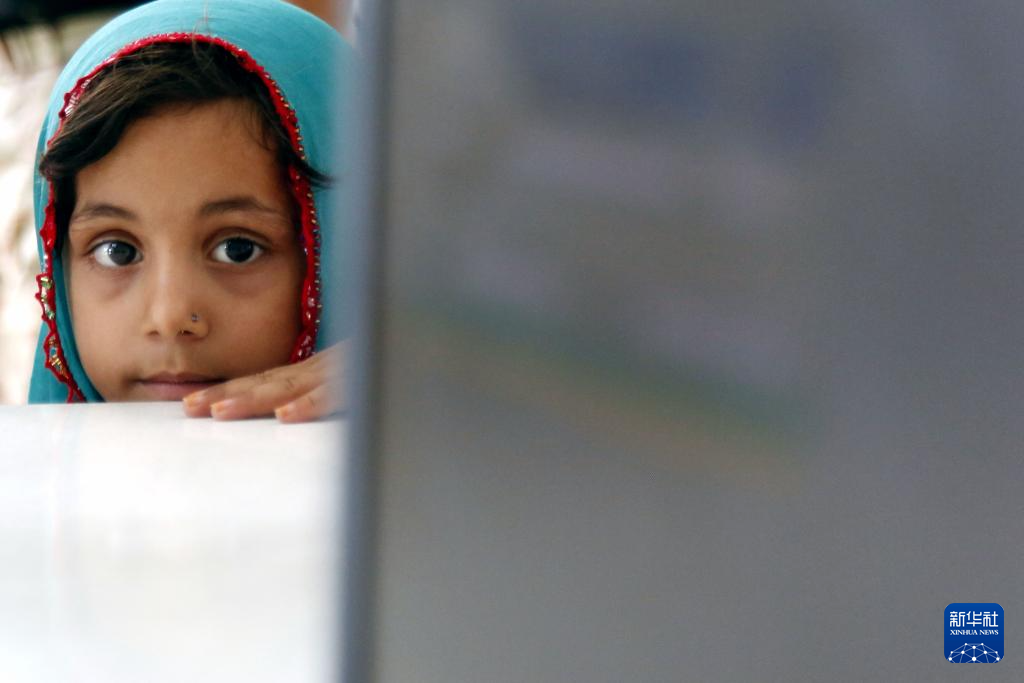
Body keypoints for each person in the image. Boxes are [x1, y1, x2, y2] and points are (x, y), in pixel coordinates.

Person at [27, 0, 354, 422]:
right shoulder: (29, 461)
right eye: (117, 252)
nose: (171, 317)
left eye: (237, 249)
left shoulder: (422, 432)